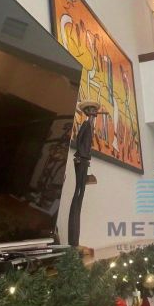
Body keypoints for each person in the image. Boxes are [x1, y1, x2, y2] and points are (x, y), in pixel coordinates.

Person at [67, 100, 101, 247]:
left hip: (84, 160)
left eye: (94, 111)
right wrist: (82, 156)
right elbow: (80, 140)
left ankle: (75, 241)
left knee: (80, 195)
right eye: (92, 111)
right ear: (87, 112)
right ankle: (73, 241)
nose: (94, 113)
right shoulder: (86, 125)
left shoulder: (90, 126)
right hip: (81, 160)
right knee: (78, 193)